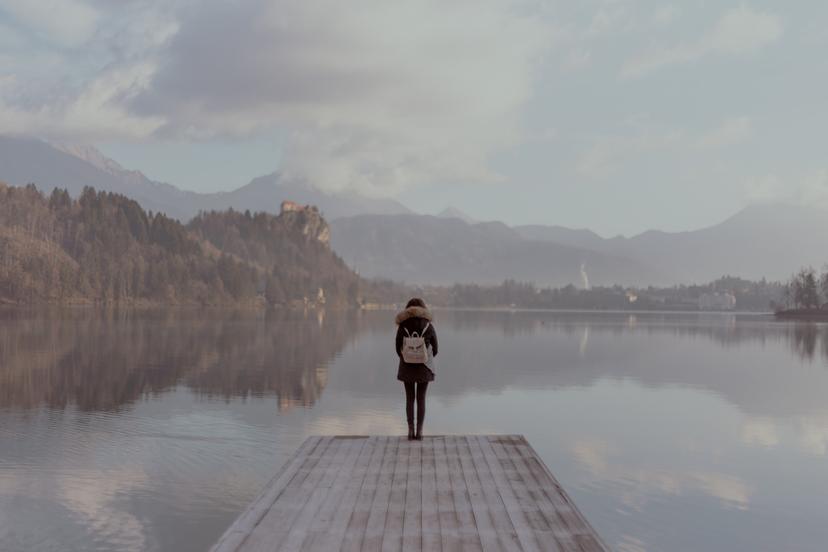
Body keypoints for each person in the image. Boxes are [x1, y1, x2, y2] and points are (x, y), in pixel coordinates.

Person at [395, 298, 438, 440]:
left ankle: (410, 431)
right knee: (421, 398)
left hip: (407, 366)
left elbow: (397, 348)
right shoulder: (428, 325)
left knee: (409, 398)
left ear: (407, 309)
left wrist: (407, 356)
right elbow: (436, 348)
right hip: (424, 367)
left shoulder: (403, 325)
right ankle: (419, 432)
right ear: (424, 309)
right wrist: (424, 354)